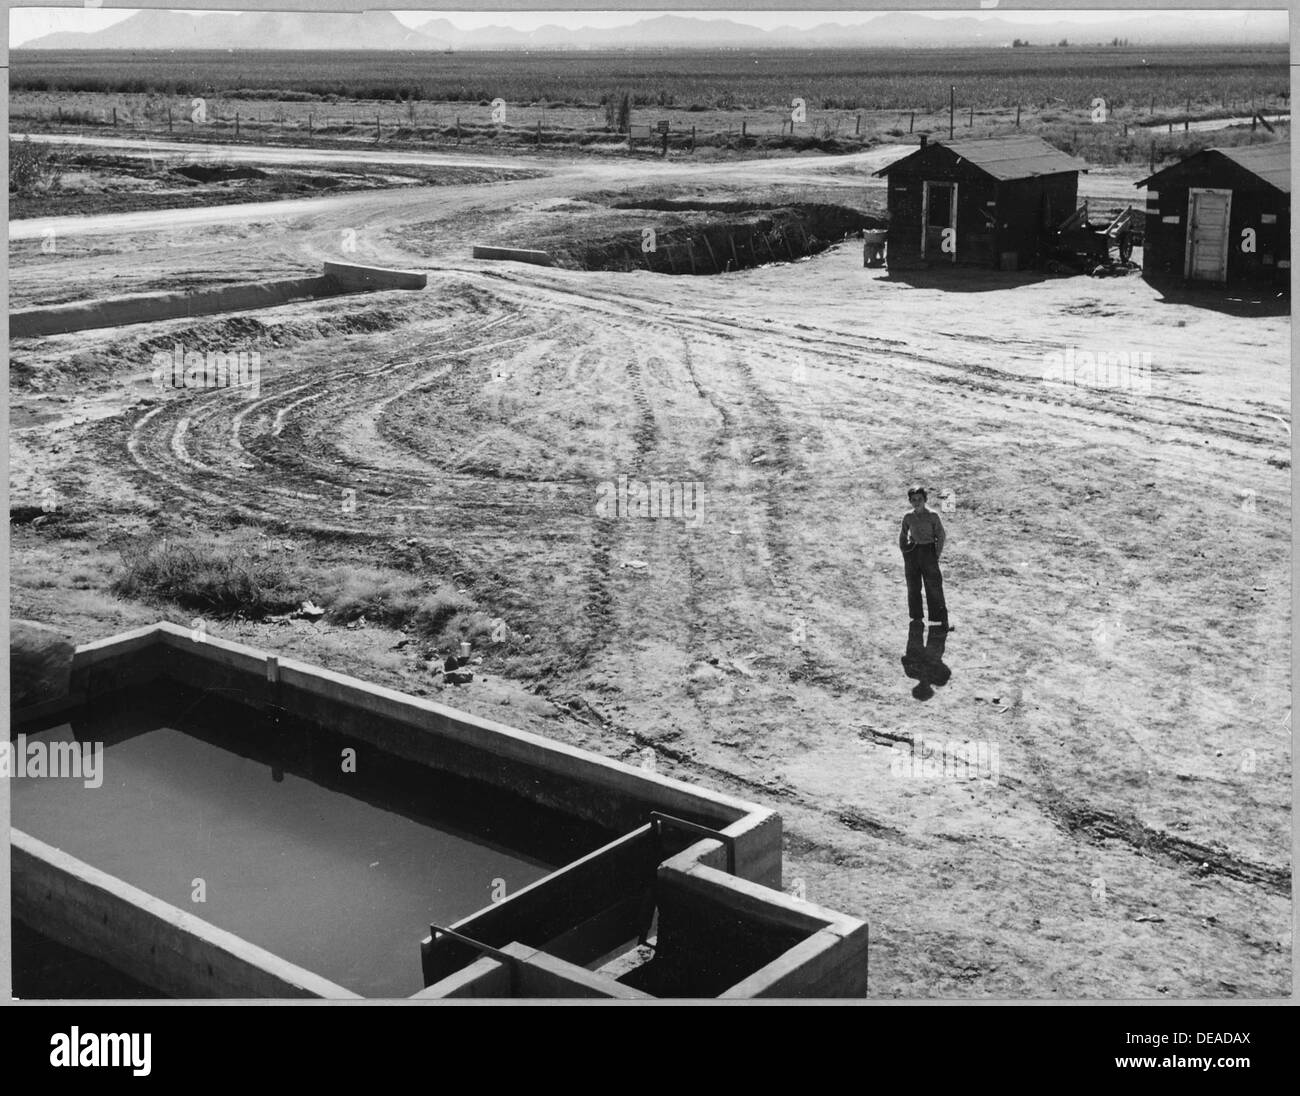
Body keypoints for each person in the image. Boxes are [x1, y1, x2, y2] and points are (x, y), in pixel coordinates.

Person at [898, 486, 950, 631]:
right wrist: (905, 553)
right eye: (913, 500)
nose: (917, 502)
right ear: (910, 501)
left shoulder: (933, 516)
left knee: (934, 586)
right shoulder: (908, 517)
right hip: (913, 553)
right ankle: (916, 618)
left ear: (925, 500)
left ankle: (941, 620)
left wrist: (936, 555)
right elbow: (903, 535)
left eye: (919, 499)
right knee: (913, 586)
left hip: (929, 552)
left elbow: (941, 535)